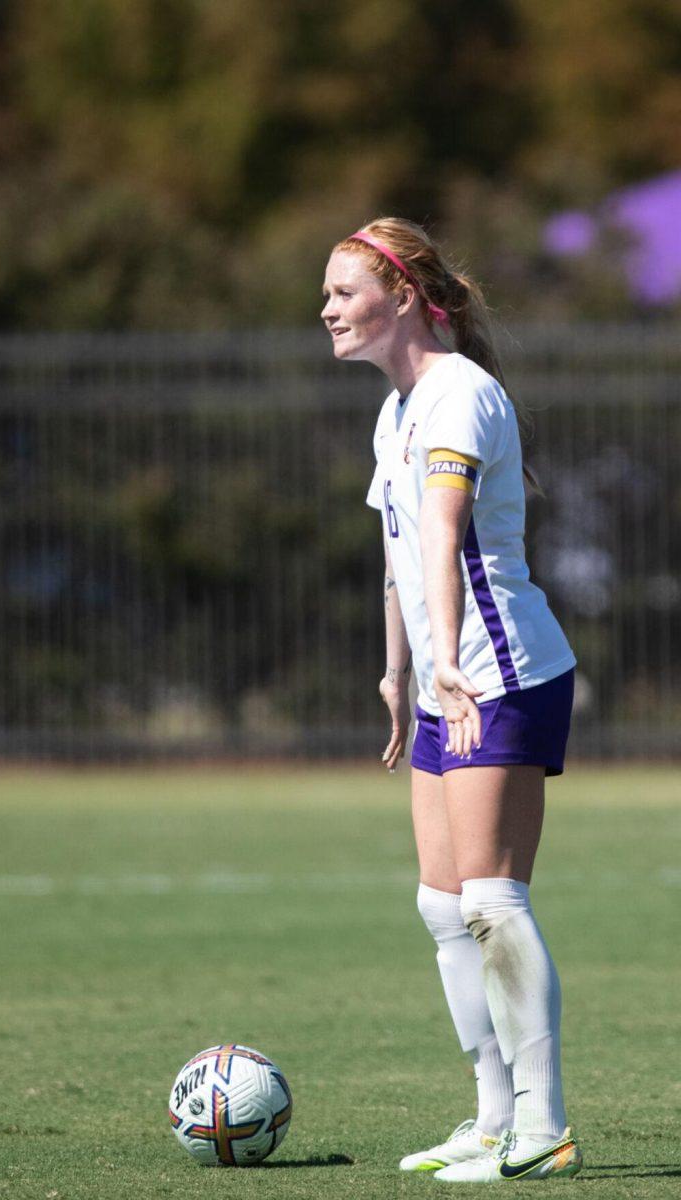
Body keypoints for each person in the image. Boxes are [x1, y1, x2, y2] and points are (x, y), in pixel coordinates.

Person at [320, 219, 582, 1183]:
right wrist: (400, 672)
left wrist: (449, 666)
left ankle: (543, 1127)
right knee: (441, 904)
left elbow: (442, 535)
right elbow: (395, 556)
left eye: (344, 292)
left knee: (489, 899)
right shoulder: (396, 412)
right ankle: (489, 1116)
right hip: (444, 682)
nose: (328, 310)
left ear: (401, 295)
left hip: (502, 674)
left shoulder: (461, 396)